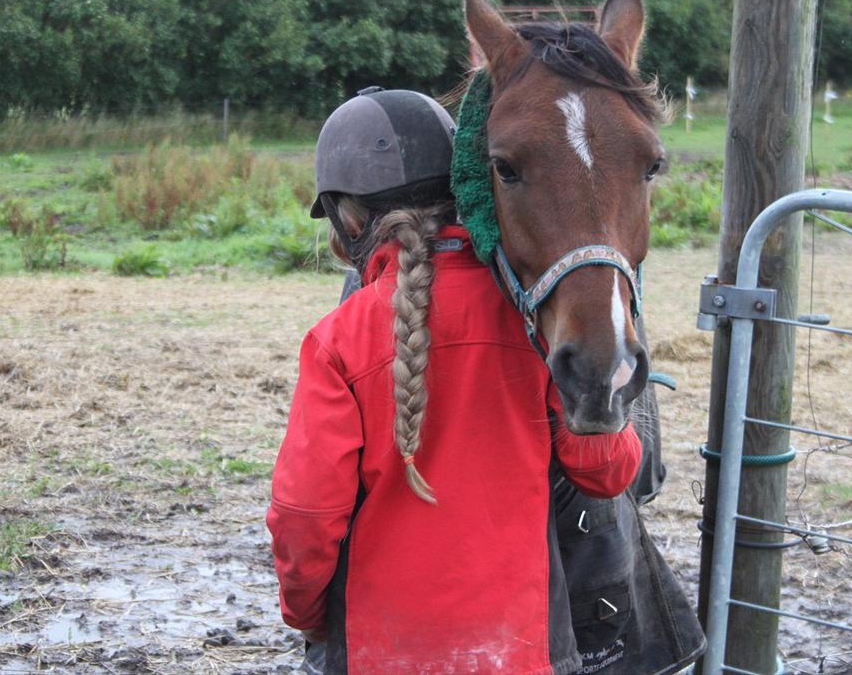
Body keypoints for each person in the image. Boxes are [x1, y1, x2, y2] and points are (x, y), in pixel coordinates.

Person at [267, 87, 643, 674]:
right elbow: (607, 472)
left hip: (379, 651)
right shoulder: (538, 326)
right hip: (524, 650)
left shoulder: (336, 341)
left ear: (349, 217)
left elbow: (305, 518)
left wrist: (308, 612)